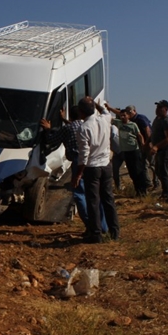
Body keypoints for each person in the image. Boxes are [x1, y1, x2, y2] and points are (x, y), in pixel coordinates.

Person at [40, 107, 108, 233]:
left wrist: (47, 129)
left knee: (79, 194)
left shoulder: (67, 128)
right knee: (95, 195)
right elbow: (74, 126)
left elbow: (51, 140)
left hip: (78, 162)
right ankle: (103, 226)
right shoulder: (85, 125)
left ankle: (91, 226)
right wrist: (64, 119)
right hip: (93, 162)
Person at [72, 97, 120, 243]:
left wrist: (78, 174)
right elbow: (105, 111)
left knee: (93, 201)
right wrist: (97, 104)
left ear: (81, 112)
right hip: (106, 165)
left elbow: (84, 155)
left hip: (92, 168)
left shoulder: (83, 128)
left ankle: (96, 234)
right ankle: (115, 231)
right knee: (108, 199)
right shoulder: (105, 119)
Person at [106, 103, 156, 190]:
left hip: (141, 147)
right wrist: (109, 108)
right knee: (139, 167)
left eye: (129, 112)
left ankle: (153, 183)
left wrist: (147, 144)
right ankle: (145, 184)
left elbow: (146, 131)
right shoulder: (121, 122)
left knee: (149, 165)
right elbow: (120, 113)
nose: (123, 116)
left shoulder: (139, 119)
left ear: (134, 111)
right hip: (129, 150)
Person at [112, 109, 146, 196]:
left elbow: (139, 135)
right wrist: (107, 107)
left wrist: (142, 144)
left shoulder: (133, 125)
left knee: (138, 171)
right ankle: (137, 191)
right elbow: (108, 117)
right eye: (121, 116)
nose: (122, 117)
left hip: (134, 150)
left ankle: (143, 191)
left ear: (128, 116)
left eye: (124, 115)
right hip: (125, 152)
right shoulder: (118, 123)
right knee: (132, 173)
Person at [148, 100, 168, 203]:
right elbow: (153, 133)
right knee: (158, 171)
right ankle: (164, 193)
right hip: (159, 151)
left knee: (163, 173)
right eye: (157, 107)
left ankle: (167, 196)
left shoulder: (166, 121)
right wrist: (147, 143)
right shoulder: (157, 119)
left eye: (160, 108)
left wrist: (156, 147)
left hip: (165, 151)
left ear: (166, 109)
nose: (157, 109)